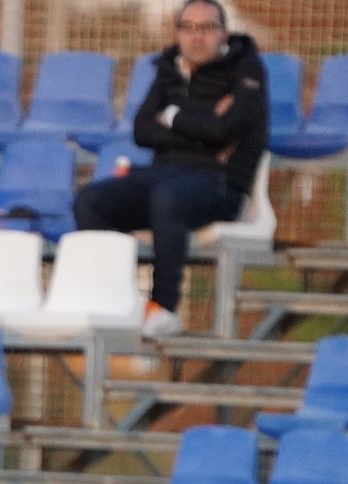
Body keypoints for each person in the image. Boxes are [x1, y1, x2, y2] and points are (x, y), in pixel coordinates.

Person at [71, 0, 267, 340]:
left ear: (224, 33)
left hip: (219, 183)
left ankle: (163, 308)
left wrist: (173, 116)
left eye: (207, 28)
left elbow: (227, 129)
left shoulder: (247, 71)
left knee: (169, 197)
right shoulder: (168, 68)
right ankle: (116, 297)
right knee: (90, 201)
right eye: (188, 27)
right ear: (177, 33)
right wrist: (205, 131)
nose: (197, 36)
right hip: (163, 175)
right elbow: (142, 130)